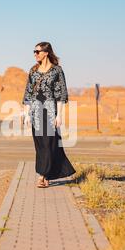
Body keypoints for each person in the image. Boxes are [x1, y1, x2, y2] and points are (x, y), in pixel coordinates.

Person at [22, 41, 76, 188]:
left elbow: (61, 94)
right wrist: (26, 114)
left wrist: (59, 115)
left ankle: (42, 175)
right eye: (34, 51)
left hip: (50, 111)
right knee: (40, 145)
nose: (35, 54)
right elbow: (28, 93)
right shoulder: (33, 71)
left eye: (37, 51)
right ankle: (46, 174)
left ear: (46, 53)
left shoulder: (57, 71)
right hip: (35, 112)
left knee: (48, 143)